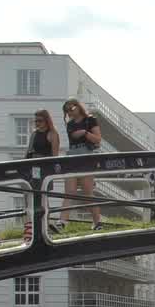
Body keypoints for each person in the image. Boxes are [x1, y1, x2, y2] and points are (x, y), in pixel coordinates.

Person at [61, 98, 104, 229]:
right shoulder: (70, 124)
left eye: (72, 108)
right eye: (67, 110)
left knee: (87, 192)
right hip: (73, 156)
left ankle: (97, 222)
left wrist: (85, 133)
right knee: (69, 191)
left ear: (78, 107)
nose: (70, 112)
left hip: (86, 156)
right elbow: (73, 138)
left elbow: (98, 140)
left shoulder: (90, 120)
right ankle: (62, 222)